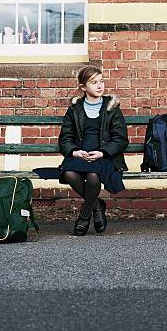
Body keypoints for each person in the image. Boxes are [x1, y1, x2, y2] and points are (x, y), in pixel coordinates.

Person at [57, 66, 129, 236]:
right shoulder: (75, 109)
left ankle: (83, 216)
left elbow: (121, 139)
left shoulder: (111, 107)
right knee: (68, 173)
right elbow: (65, 138)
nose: (99, 86)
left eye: (101, 81)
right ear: (83, 87)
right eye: (94, 82)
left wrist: (102, 152)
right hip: (81, 155)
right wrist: (75, 152)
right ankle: (96, 206)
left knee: (93, 176)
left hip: (104, 157)